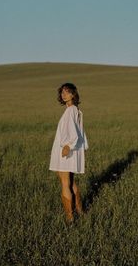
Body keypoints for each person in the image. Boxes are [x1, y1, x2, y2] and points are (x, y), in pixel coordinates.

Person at [49, 83, 88, 222]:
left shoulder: (71, 110)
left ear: (73, 94)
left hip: (66, 151)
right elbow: (81, 133)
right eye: (62, 92)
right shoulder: (76, 110)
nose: (64, 94)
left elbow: (73, 133)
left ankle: (70, 217)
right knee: (71, 182)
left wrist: (68, 146)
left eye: (67, 92)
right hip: (71, 150)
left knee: (65, 183)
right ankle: (80, 211)